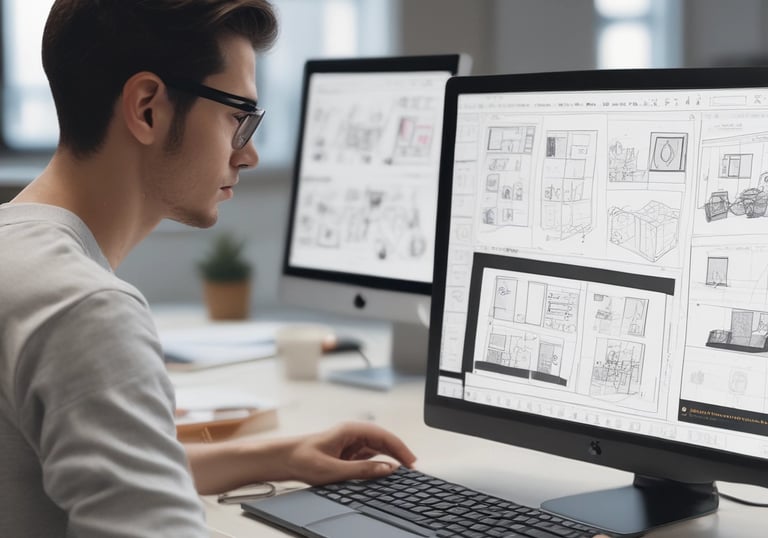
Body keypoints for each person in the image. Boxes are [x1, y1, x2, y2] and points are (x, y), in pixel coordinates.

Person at [0, 1, 416, 536]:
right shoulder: (86, 311)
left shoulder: (19, 255)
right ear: (148, 108)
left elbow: (104, 466)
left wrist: (282, 454)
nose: (249, 155)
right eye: (237, 116)